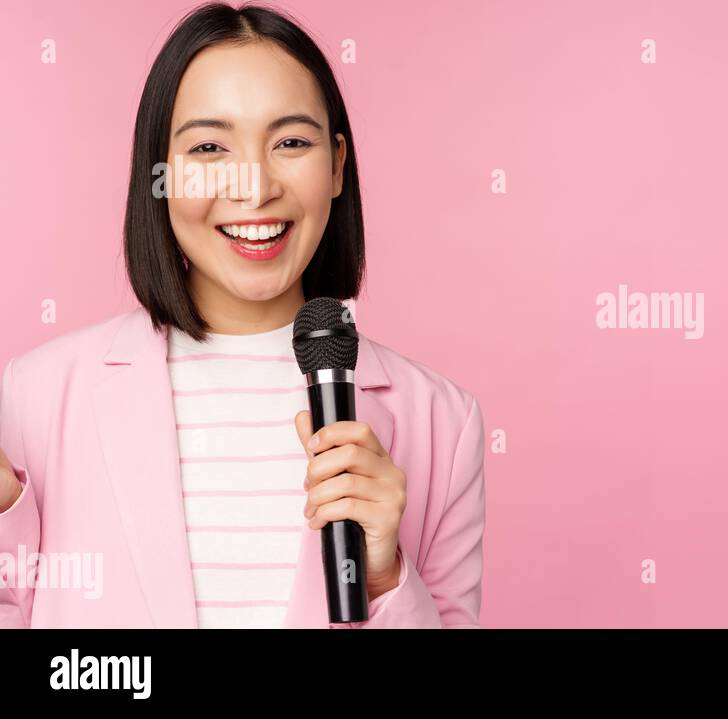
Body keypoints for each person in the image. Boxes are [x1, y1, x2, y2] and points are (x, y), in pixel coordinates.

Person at [0, 2, 484, 628]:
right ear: (161, 174)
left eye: (290, 142)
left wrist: (388, 579)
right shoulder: (31, 399)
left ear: (336, 166)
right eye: (208, 146)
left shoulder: (444, 422)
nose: (253, 188)